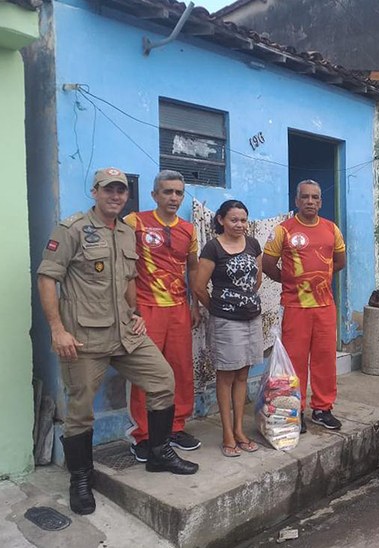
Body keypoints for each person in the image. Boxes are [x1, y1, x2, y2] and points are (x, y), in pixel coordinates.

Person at [37, 167, 198, 516]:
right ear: (95, 192)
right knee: (80, 412)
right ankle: (81, 478)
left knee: (163, 380)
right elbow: (47, 278)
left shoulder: (126, 232)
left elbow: (128, 278)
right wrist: (57, 330)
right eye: (108, 189)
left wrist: (135, 311)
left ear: (127, 195)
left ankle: (158, 452)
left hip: (125, 332)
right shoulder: (72, 229)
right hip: (84, 338)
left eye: (120, 191)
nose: (115, 196)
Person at [124, 170, 202, 463]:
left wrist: (195, 304)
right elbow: (124, 267)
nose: (173, 197)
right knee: (146, 372)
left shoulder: (188, 230)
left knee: (181, 369)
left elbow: (192, 267)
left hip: (179, 309)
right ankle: (143, 435)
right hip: (146, 308)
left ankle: (176, 427)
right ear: (154, 195)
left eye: (178, 192)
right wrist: (131, 309)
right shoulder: (135, 222)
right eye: (167, 192)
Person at [263, 180, 346, 432]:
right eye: (305, 197)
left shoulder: (332, 229)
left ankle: (322, 409)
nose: (310, 201)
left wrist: (318, 280)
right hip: (294, 307)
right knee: (294, 361)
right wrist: (290, 281)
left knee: (325, 360)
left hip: (324, 307)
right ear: (297, 200)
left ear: (320, 202)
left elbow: (340, 262)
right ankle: (294, 411)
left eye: (315, 197)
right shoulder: (283, 230)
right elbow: (268, 265)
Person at [193, 200, 263, 457]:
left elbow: (257, 278)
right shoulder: (213, 247)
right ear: (221, 220)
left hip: (252, 318)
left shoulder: (253, 244)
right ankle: (227, 434)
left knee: (243, 375)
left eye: (243, 220)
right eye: (234, 220)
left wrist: (245, 301)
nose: (239, 225)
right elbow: (199, 286)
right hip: (226, 322)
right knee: (226, 377)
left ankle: (239, 430)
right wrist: (219, 307)